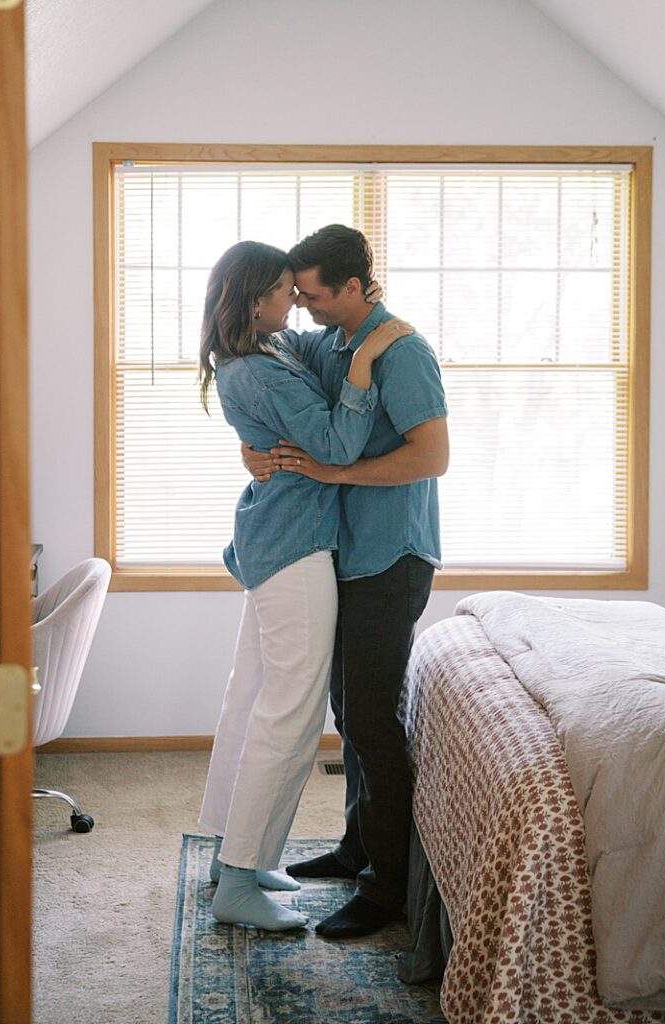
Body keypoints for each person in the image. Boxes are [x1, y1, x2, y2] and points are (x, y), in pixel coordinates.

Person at [196, 240, 412, 931]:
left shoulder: (271, 350)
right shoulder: (257, 368)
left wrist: (361, 337)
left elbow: (294, 399)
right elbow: (336, 446)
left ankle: (237, 854)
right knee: (289, 713)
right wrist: (370, 361)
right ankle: (236, 881)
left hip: (279, 540)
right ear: (255, 297)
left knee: (255, 697)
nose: (297, 301)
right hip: (294, 548)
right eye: (287, 290)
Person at [242, 224, 449, 938]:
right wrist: (252, 445)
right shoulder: (326, 343)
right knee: (346, 711)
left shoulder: (403, 351)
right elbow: (266, 383)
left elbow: (433, 457)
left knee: (370, 720)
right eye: (294, 294)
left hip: (391, 557)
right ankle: (358, 845)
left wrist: (338, 472)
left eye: (313, 294)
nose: (299, 306)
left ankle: (386, 887)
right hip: (344, 555)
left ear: (354, 287)